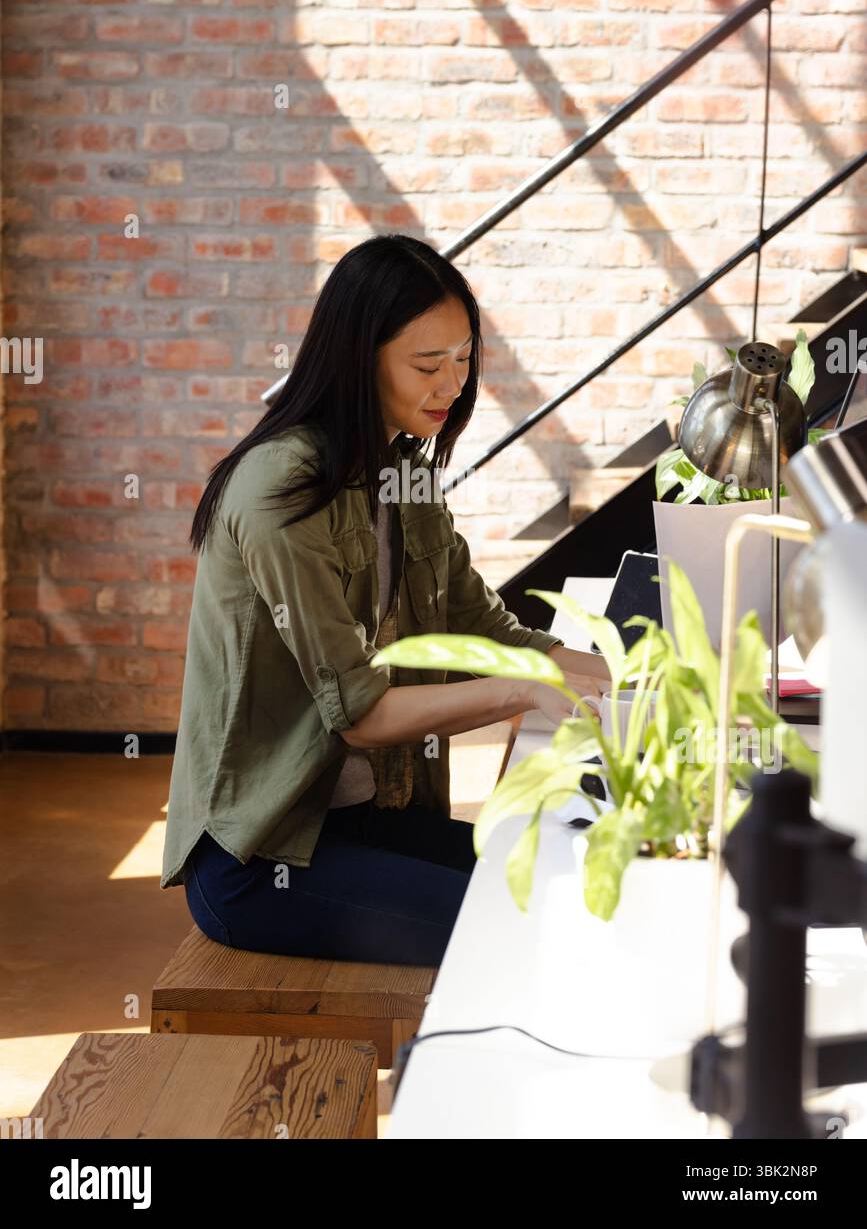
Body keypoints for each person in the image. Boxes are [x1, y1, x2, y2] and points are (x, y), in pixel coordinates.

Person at [160, 233, 609, 966]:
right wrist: (526, 692)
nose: (452, 383)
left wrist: (642, 677)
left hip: (366, 820)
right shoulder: (282, 492)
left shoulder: (399, 469)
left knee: (573, 884)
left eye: (463, 359)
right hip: (261, 861)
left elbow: (477, 623)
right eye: (427, 364)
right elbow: (363, 716)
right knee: (529, 931)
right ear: (357, 357)